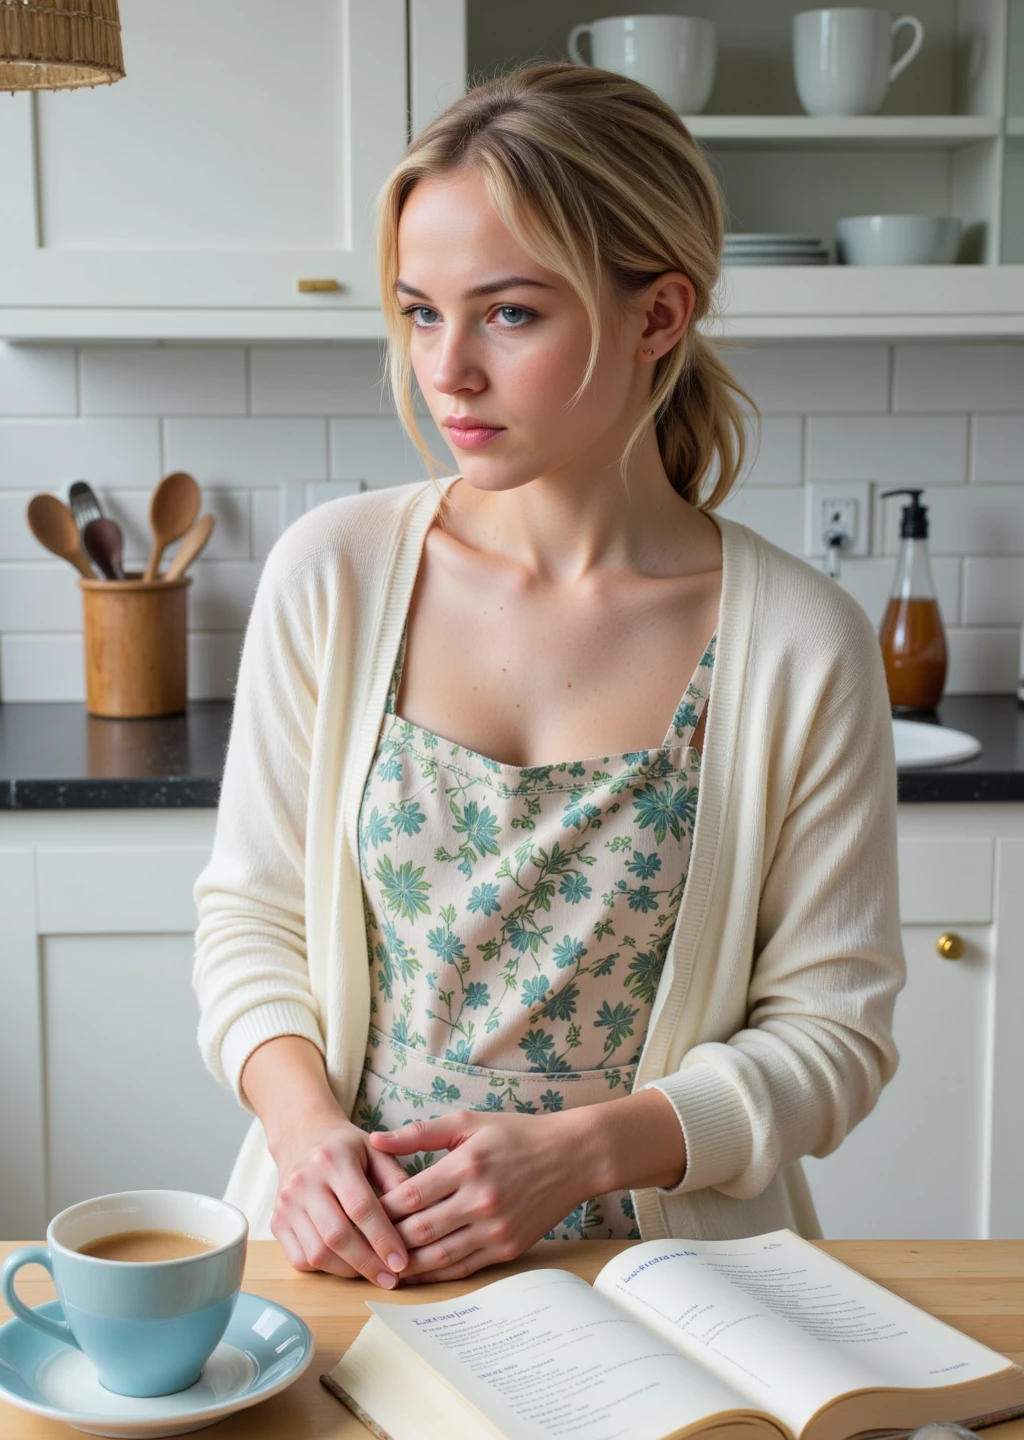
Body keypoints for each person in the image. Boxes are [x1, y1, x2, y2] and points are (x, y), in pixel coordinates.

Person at [192, 61, 906, 1290]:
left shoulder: (801, 640)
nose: (448, 369)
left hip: (678, 1289)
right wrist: (304, 1138)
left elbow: (833, 1035)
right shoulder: (337, 576)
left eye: (509, 313)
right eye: (421, 312)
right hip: (342, 1260)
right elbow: (248, 923)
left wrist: (580, 1155)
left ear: (656, 316)